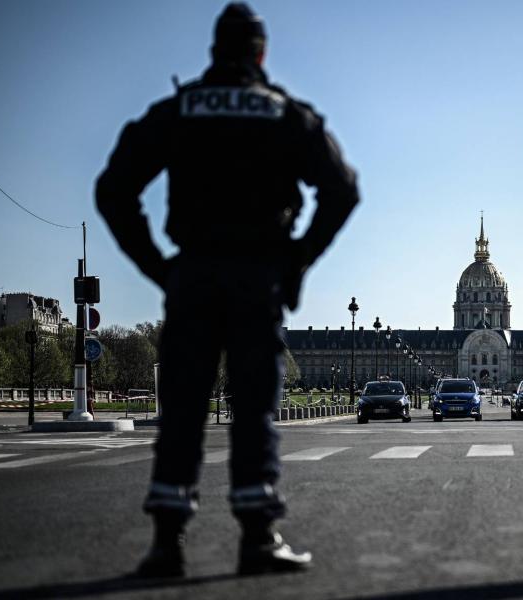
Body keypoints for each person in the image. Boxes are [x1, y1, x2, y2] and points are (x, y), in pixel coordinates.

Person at [95, 3, 359, 577]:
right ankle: (258, 535)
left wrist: (157, 266)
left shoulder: (179, 109)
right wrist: (297, 261)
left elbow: (113, 189)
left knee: (183, 407)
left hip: (192, 274)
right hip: (256, 276)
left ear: (214, 49)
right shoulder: (284, 113)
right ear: (261, 54)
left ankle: (166, 543)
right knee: (254, 408)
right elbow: (343, 189)